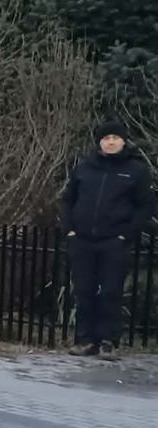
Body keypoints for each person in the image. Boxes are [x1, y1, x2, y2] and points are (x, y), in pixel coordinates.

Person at [62, 120, 155, 358]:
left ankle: (108, 341)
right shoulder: (84, 168)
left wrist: (127, 234)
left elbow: (144, 207)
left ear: (123, 141)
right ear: (99, 142)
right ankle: (84, 340)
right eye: (106, 138)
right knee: (84, 291)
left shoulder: (136, 171)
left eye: (115, 137)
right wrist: (70, 230)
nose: (110, 142)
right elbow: (67, 199)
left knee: (111, 293)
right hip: (82, 240)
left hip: (114, 240)